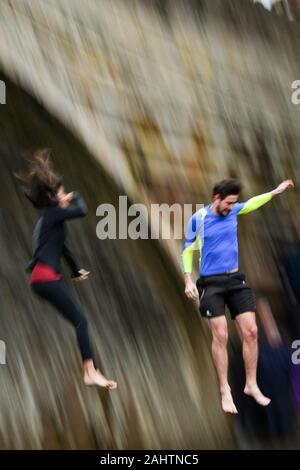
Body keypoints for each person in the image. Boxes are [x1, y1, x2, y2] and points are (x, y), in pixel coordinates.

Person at [182, 178, 294, 413]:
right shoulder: (199, 219)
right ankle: (225, 389)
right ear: (216, 199)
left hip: (235, 280)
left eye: (234, 203)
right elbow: (187, 249)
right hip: (210, 284)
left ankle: (251, 384)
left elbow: (253, 203)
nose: (232, 207)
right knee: (221, 335)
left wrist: (276, 191)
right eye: (228, 203)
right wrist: (187, 280)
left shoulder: (234, 211)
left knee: (251, 332)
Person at [16, 149, 117, 390]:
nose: (65, 194)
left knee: (79, 320)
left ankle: (90, 371)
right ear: (53, 195)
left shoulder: (48, 220)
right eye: (62, 191)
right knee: (81, 320)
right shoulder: (52, 213)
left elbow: (61, 248)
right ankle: (89, 372)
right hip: (45, 279)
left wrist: (75, 270)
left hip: (41, 280)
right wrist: (76, 196)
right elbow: (81, 211)